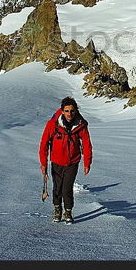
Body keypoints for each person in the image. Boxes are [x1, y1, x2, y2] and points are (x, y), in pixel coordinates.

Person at [39, 96, 92, 224]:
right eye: (67, 111)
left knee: (67, 188)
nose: (70, 114)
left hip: (72, 162)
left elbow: (86, 143)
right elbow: (44, 144)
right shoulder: (53, 124)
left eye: (72, 111)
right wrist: (43, 163)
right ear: (62, 111)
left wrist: (87, 162)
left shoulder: (80, 124)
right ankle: (57, 209)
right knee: (57, 187)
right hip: (56, 161)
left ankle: (68, 211)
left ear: (76, 111)